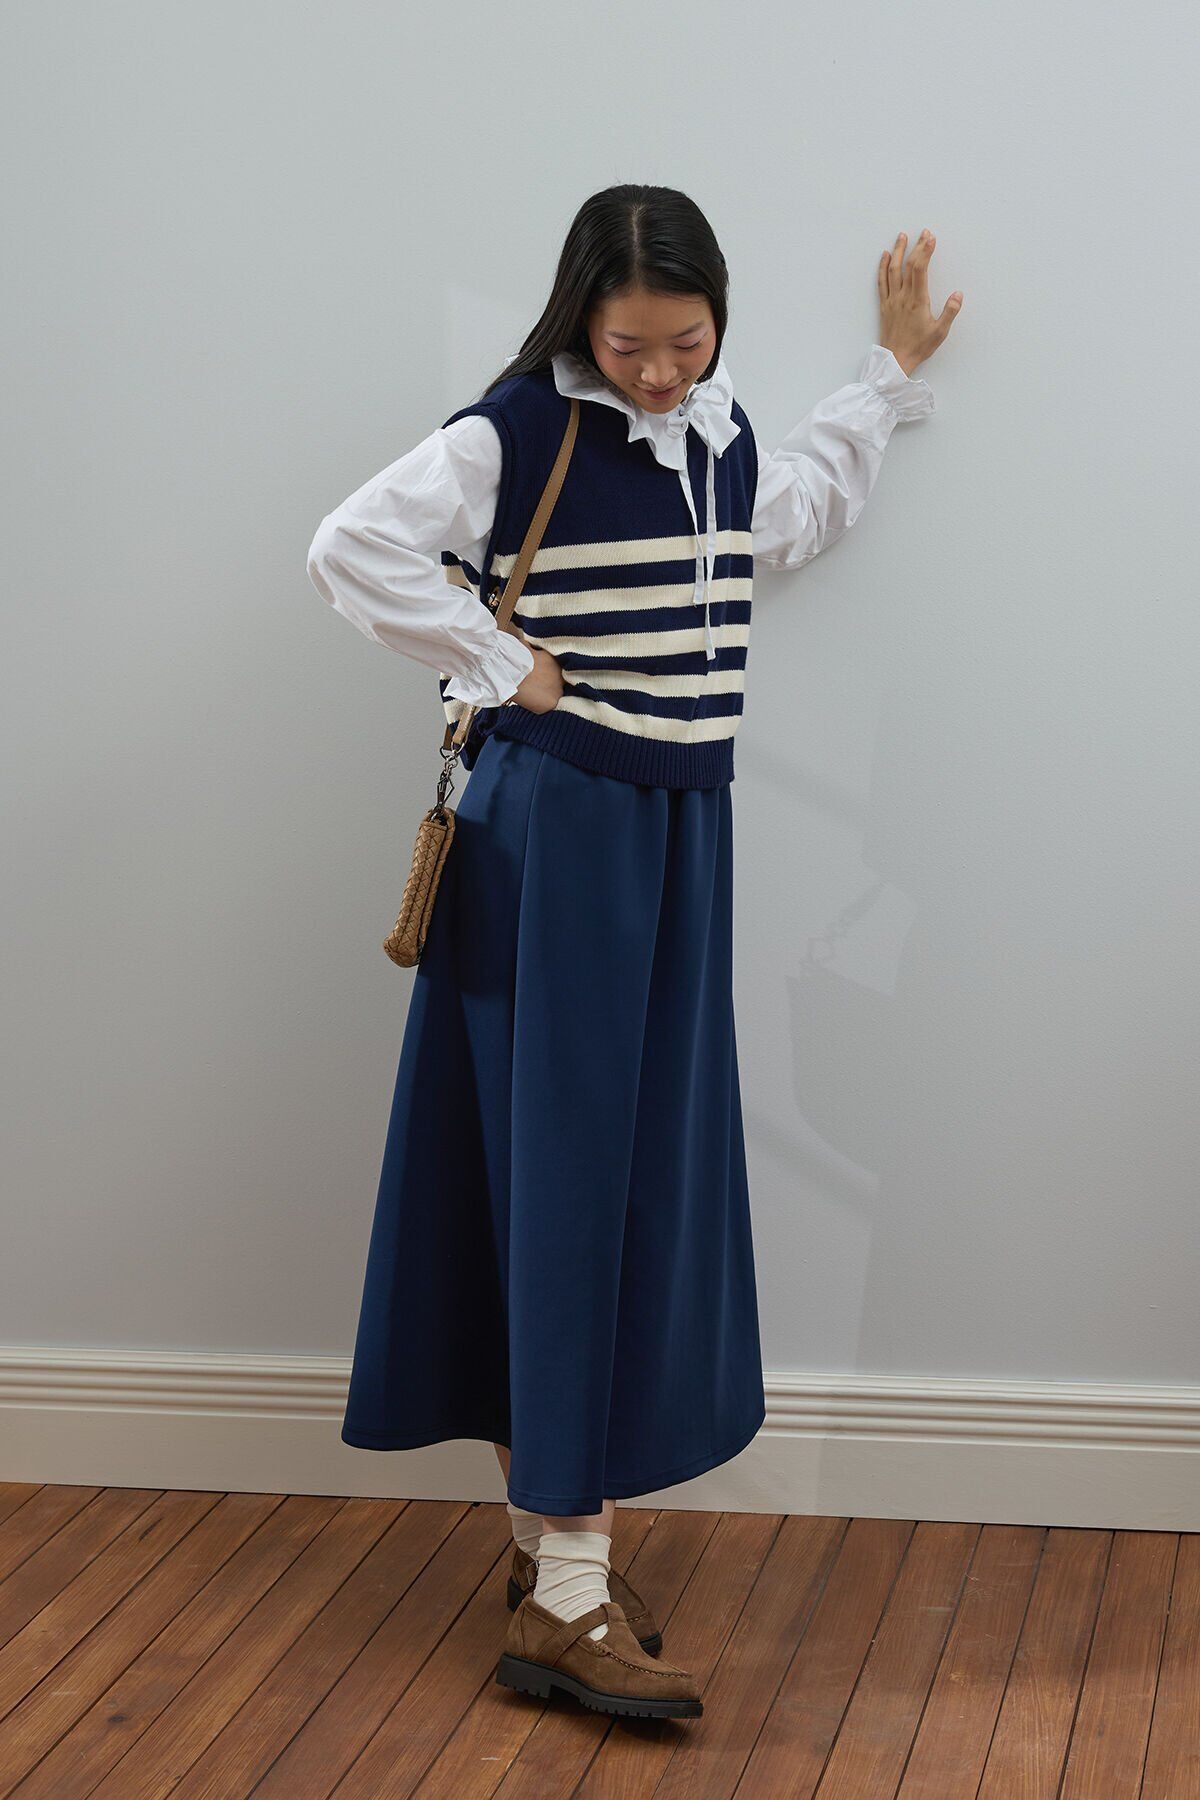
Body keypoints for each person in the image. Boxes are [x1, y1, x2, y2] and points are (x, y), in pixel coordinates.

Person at [306, 183, 959, 1720]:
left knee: (608, 1181)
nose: (660, 373)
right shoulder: (518, 432)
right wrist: (503, 661)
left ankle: (550, 1562)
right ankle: (567, 1595)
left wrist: (886, 374)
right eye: (629, 345)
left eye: (688, 340)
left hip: (676, 833)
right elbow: (350, 547)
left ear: (718, 323)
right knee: (573, 1186)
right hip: (561, 835)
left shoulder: (717, 436)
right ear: (578, 323)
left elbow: (792, 511)